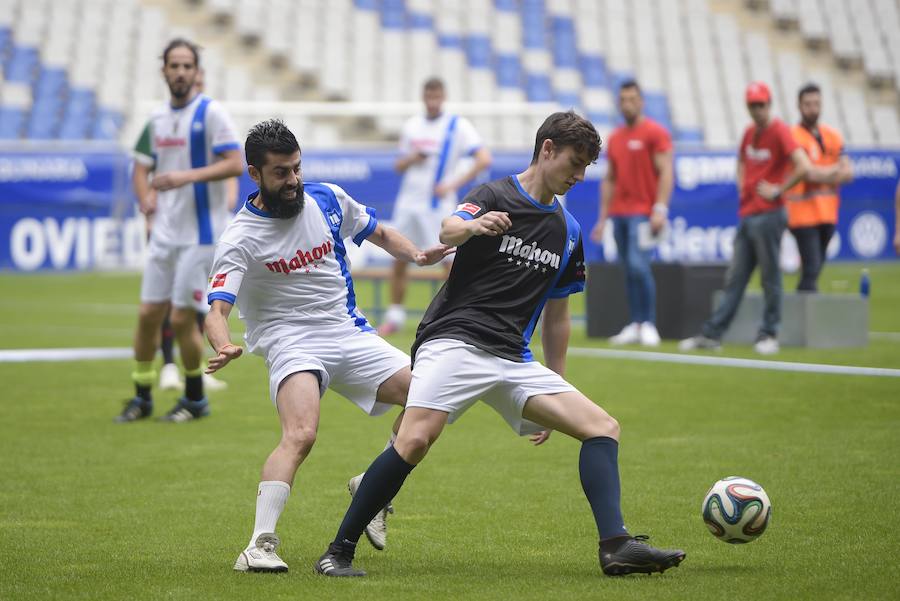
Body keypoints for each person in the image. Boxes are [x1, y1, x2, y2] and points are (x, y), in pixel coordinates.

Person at [314, 111, 686, 578]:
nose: (580, 175)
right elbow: (448, 229)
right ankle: (338, 551)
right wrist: (473, 227)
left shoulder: (568, 231)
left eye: (588, 166)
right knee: (414, 439)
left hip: (513, 358)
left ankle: (616, 546)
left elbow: (558, 315)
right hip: (454, 340)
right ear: (547, 149)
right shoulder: (493, 194)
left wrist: (557, 379)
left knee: (602, 427)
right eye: (575, 162)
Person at [204, 119, 451, 573]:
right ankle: (258, 545)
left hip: (348, 332)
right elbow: (216, 309)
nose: (293, 179)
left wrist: (416, 255)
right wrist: (223, 345)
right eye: (281, 172)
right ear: (254, 174)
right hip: (291, 340)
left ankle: (372, 487)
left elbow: (378, 231)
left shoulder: (327, 198)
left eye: (296, 168)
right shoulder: (240, 237)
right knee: (301, 434)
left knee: (431, 400)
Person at [116, 38, 243, 423]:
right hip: (165, 234)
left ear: (196, 71)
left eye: (188, 65)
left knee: (181, 318)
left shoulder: (212, 113)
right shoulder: (155, 120)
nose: (181, 72)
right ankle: (142, 395)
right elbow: (140, 167)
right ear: (164, 71)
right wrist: (146, 201)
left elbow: (236, 162)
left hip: (200, 236)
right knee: (147, 314)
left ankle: (194, 397)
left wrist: (185, 177)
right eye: (175, 65)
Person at [680, 82, 811, 355]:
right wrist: (742, 184)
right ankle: (713, 333)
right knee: (735, 278)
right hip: (750, 213)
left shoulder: (779, 131)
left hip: (770, 214)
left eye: (761, 104)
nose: (757, 110)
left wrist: (779, 190)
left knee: (770, 277)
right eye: (753, 105)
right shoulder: (750, 133)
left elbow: (803, 164)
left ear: (769, 104)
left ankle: (769, 333)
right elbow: (741, 161)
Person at [377, 77, 493, 335]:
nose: (432, 100)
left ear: (443, 96)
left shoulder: (457, 125)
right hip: (409, 203)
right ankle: (394, 316)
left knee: (450, 262)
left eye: (436, 95)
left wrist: (452, 183)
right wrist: (412, 158)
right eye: (428, 95)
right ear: (423, 96)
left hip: (438, 205)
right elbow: (398, 165)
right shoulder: (412, 126)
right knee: (399, 257)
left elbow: (484, 158)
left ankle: (458, 315)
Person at [590, 80, 673, 346]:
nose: (627, 104)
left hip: (643, 213)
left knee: (639, 266)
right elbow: (610, 179)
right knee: (628, 270)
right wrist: (602, 219)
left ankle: (647, 322)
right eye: (623, 99)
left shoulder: (655, 133)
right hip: (620, 213)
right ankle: (636, 323)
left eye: (632, 99)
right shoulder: (615, 138)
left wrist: (660, 208)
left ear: (641, 101)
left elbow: (667, 172)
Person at [785, 83, 853, 292]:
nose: (813, 108)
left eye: (816, 103)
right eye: (808, 104)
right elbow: (808, 173)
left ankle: (802, 311)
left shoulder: (833, 136)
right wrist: (834, 172)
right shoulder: (792, 136)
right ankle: (808, 314)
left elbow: (849, 173)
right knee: (812, 268)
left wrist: (828, 172)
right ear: (799, 106)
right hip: (802, 215)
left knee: (813, 270)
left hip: (828, 214)